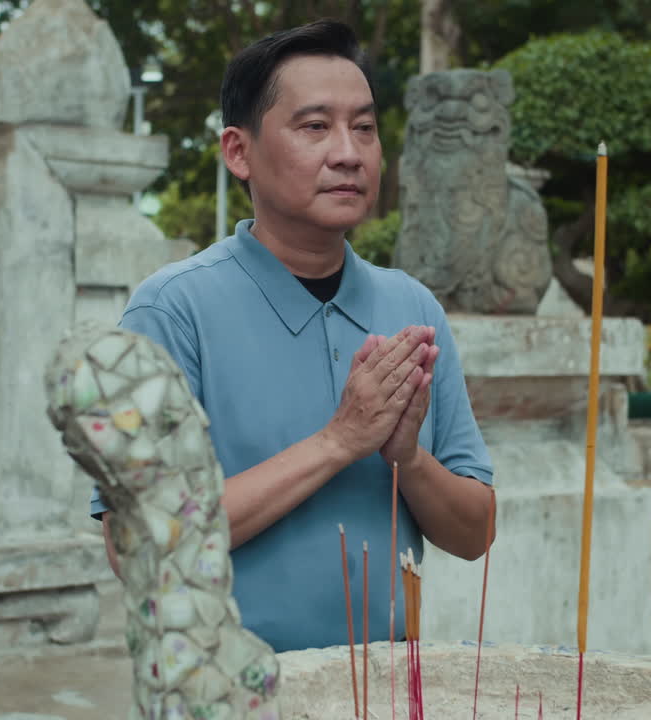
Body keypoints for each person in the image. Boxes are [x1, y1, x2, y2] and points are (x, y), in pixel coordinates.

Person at [90, 19, 495, 653]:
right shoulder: (173, 311)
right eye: (315, 127)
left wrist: (408, 460)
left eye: (364, 127)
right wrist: (339, 441)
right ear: (239, 151)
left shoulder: (410, 307)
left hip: (383, 691)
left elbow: (475, 535)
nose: (349, 153)